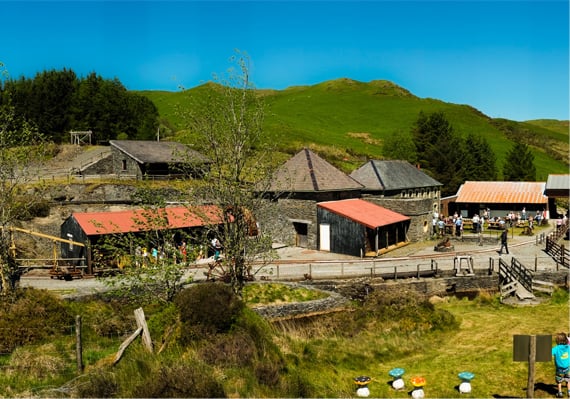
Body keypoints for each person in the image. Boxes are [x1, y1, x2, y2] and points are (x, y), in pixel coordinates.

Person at [552, 332, 570, 398]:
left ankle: (560, 393)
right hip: (567, 368)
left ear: (557, 340)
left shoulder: (556, 348)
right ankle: (569, 392)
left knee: (559, 380)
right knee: (568, 380)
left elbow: (549, 352)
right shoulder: (568, 347)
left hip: (559, 369)